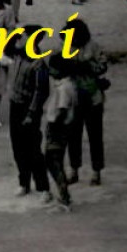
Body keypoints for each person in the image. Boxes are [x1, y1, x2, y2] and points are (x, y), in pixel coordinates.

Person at [5, 27, 51, 200]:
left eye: (22, 37)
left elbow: (41, 92)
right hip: (15, 106)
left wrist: (31, 113)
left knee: (33, 149)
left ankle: (43, 187)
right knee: (17, 147)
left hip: (28, 108)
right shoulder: (17, 56)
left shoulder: (38, 64)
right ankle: (24, 182)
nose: (18, 39)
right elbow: (6, 46)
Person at [70, 19, 109, 186]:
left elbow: (103, 66)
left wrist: (88, 66)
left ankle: (96, 171)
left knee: (95, 136)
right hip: (74, 98)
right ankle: (74, 169)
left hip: (93, 97)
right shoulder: (67, 46)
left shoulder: (94, 46)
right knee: (73, 136)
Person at [41, 54, 79, 212]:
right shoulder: (69, 85)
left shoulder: (64, 88)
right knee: (55, 161)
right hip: (62, 128)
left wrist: (54, 126)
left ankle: (64, 198)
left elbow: (62, 110)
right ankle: (64, 196)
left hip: (58, 128)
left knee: (53, 162)